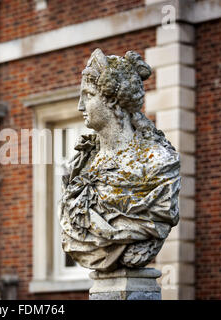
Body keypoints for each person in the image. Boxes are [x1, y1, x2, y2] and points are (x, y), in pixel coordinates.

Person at [60, 48, 180, 272]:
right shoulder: (80, 165)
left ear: (113, 101)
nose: (80, 106)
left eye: (88, 95)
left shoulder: (157, 162)